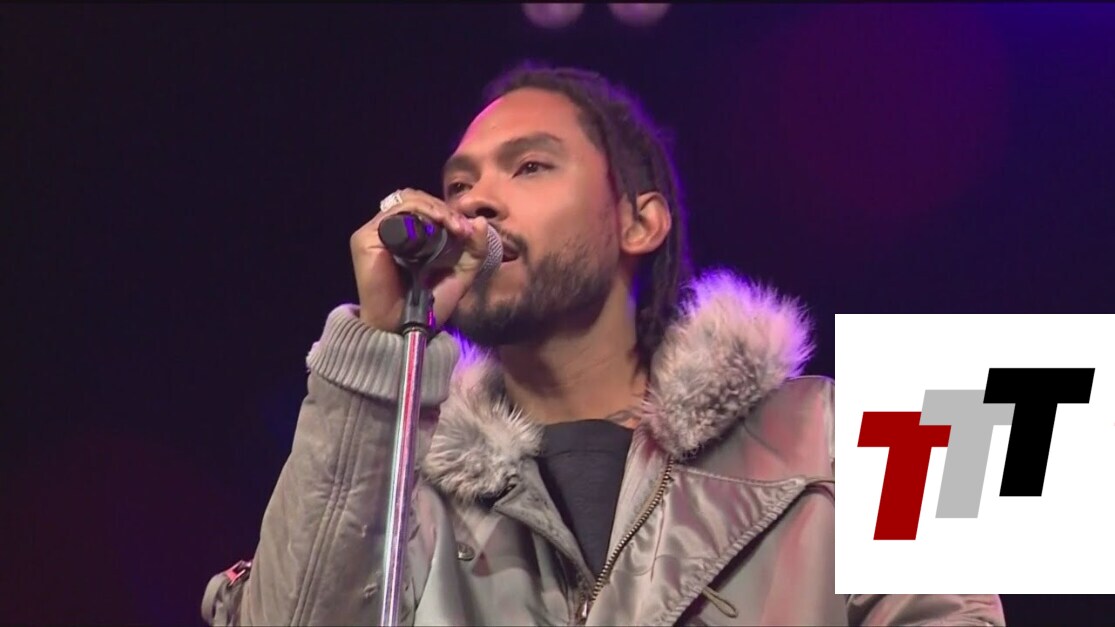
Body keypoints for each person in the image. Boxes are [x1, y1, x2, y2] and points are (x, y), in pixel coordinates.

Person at [201, 63, 1006, 626]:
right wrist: (376, 357)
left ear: (638, 221)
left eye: (529, 167)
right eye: (458, 184)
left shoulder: (849, 430)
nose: (476, 202)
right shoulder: (401, 489)